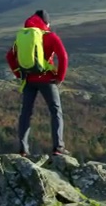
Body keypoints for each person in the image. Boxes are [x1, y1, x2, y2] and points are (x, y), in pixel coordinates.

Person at [5, 9, 69, 156]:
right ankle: (58, 148)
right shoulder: (50, 36)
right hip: (47, 79)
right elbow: (63, 56)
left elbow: (10, 56)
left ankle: (23, 150)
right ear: (46, 22)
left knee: (26, 114)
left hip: (28, 80)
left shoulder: (23, 36)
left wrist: (18, 73)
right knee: (55, 112)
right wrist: (60, 77)